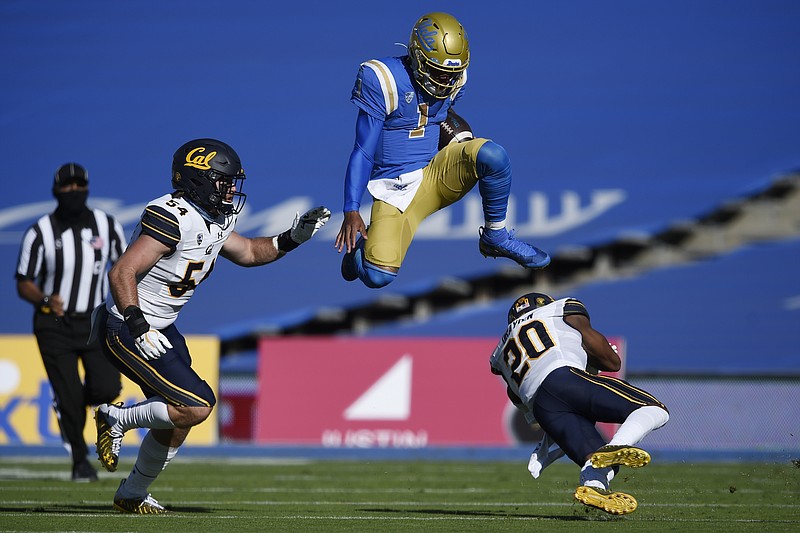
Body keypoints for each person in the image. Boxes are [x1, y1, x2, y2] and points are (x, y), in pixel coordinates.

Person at [91, 138, 330, 514]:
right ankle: (115, 417)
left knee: (179, 418)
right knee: (197, 405)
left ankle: (132, 493)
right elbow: (123, 271)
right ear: (198, 180)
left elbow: (250, 252)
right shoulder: (171, 216)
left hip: (163, 326)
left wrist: (291, 239)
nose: (231, 189)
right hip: (126, 325)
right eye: (223, 181)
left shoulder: (214, 218)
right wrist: (137, 324)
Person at [335, 12, 550, 289]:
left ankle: (495, 236)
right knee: (378, 276)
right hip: (394, 189)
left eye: (451, 74)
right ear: (416, 57)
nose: (444, 81)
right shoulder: (384, 80)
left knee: (493, 155)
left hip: (437, 173)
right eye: (437, 72)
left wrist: (459, 139)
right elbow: (364, 150)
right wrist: (351, 209)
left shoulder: (455, 80)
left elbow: (437, 114)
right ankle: (358, 256)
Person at [489, 292, 670, 515]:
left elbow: (520, 401)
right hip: (563, 378)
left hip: (542, 408)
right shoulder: (559, 309)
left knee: (596, 462)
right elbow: (611, 362)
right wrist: (598, 360)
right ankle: (617, 445)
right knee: (653, 409)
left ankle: (593, 487)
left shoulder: (500, 353)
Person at [15, 162, 127, 482]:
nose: (74, 191)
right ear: (56, 191)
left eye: (80, 185)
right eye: (68, 186)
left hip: (95, 320)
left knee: (107, 387)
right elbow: (23, 280)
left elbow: (125, 267)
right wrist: (45, 299)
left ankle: (71, 406)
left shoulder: (107, 226)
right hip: (55, 323)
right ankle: (80, 461)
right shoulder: (40, 232)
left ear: (88, 189)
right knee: (68, 395)